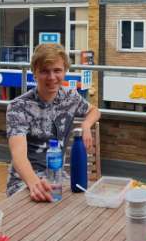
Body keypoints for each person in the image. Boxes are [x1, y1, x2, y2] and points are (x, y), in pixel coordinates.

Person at [6, 42, 100, 200]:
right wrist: (34, 184)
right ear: (34, 72)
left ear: (65, 71)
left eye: (57, 70)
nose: (51, 77)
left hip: (58, 177)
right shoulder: (18, 107)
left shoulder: (70, 97)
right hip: (24, 182)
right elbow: (19, 156)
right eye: (44, 71)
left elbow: (94, 111)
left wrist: (86, 125)